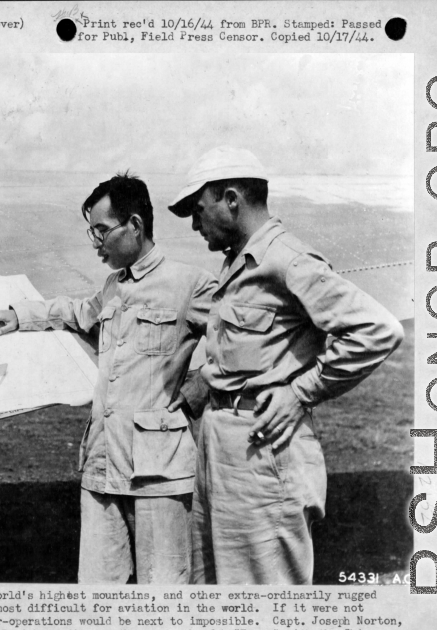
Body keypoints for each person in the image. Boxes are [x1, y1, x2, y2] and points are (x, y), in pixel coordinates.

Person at [167, 146, 404, 585]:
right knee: (212, 594)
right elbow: (257, 346)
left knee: (266, 607)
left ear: (231, 200)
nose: (195, 224)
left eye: (198, 211)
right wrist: (208, 379)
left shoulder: (287, 258)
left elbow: (378, 330)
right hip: (222, 445)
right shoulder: (238, 262)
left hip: (264, 454)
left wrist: (301, 392)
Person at [0, 173, 216, 584]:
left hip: (158, 474)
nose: (95, 243)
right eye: (92, 232)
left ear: (136, 226)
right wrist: (19, 315)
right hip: (101, 467)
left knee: (167, 599)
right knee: (98, 598)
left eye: (102, 231)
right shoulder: (112, 288)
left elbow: (247, 339)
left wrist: (204, 384)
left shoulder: (190, 284)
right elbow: (73, 311)